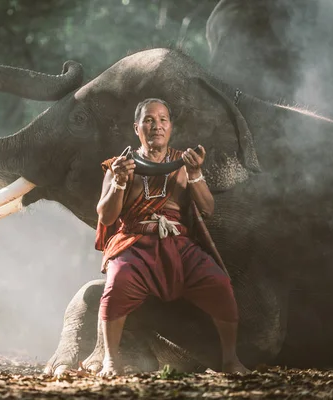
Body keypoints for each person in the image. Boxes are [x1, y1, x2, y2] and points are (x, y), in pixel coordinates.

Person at [94, 98, 248, 376]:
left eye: (163, 120)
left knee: (219, 282)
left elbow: (208, 209)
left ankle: (230, 359)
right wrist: (118, 181)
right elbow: (106, 217)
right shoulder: (119, 165)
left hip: (179, 245)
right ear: (136, 127)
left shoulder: (183, 163)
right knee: (117, 283)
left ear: (171, 127)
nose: (157, 126)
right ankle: (111, 360)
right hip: (135, 244)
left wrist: (196, 173)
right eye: (149, 120)